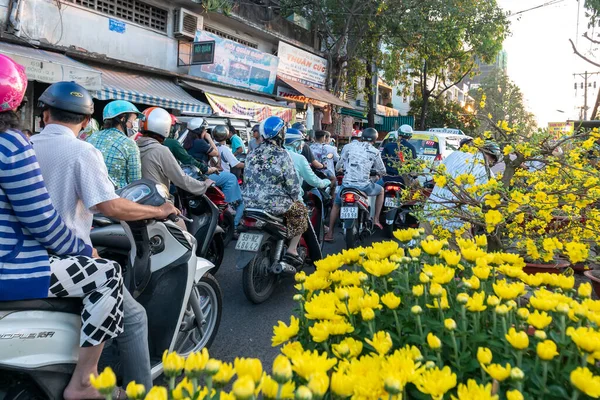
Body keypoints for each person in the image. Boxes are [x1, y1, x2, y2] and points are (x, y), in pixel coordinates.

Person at [31, 81, 178, 392]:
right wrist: (159, 211)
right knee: (135, 316)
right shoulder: (83, 151)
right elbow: (110, 204)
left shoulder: (25, 147)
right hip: (64, 257)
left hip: (28, 256)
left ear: (44, 115)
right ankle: (139, 391)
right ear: (85, 121)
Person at [0, 57, 123, 400]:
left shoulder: (30, 142)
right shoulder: (11, 144)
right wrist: (85, 250)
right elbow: (41, 220)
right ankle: (84, 382)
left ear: (44, 114)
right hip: (11, 268)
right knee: (108, 274)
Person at [244, 116, 307, 267]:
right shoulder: (282, 154)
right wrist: (294, 197)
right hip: (274, 204)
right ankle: (292, 250)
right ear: (280, 134)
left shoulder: (252, 153)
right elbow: (292, 184)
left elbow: (246, 177)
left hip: (249, 203)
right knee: (301, 211)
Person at [423, 140, 502, 236]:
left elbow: (436, 177)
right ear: (494, 160)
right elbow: (484, 203)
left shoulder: (455, 155)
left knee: (423, 249)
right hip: (455, 226)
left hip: (429, 215)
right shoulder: (488, 175)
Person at [324, 127, 386, 242]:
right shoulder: (375, 151)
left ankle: (330, 233)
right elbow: (382, 170)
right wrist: (377, 174)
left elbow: (339, 165)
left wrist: (341, 170)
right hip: (364, 186)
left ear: (362, 137)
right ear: (375, 139)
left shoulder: (349, 147)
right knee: (381, 190)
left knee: (336, 205)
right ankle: (376, 219)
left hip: (346, 185)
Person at [137, 107, 213, 196]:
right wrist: (204, 185)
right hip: (156, 199)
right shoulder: (161, 150)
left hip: (138, 197)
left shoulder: (135, 145)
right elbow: (180, 178)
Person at [184, 118, 245, 228]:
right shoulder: (200, 142)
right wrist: (208, 138)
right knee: (231, 178)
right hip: (201, 176)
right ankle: (227, 204)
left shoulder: (187, 143)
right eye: (205, 131)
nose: (206, 133)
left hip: (193, 174)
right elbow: (216, 154)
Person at [87, 100, 144, 189]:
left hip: (89, 193)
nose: (134, 124)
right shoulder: (129, 144)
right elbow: (135, 183)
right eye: (133, 120)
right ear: (123, 118)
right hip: (117, 198)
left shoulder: (92, 137)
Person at [285, 129, 332, 198]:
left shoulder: (272, 155)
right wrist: (327, 182)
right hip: (292, 200)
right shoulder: (299, 158)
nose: (302, 144)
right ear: (296, 142)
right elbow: (313, 181)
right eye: (301, 142)